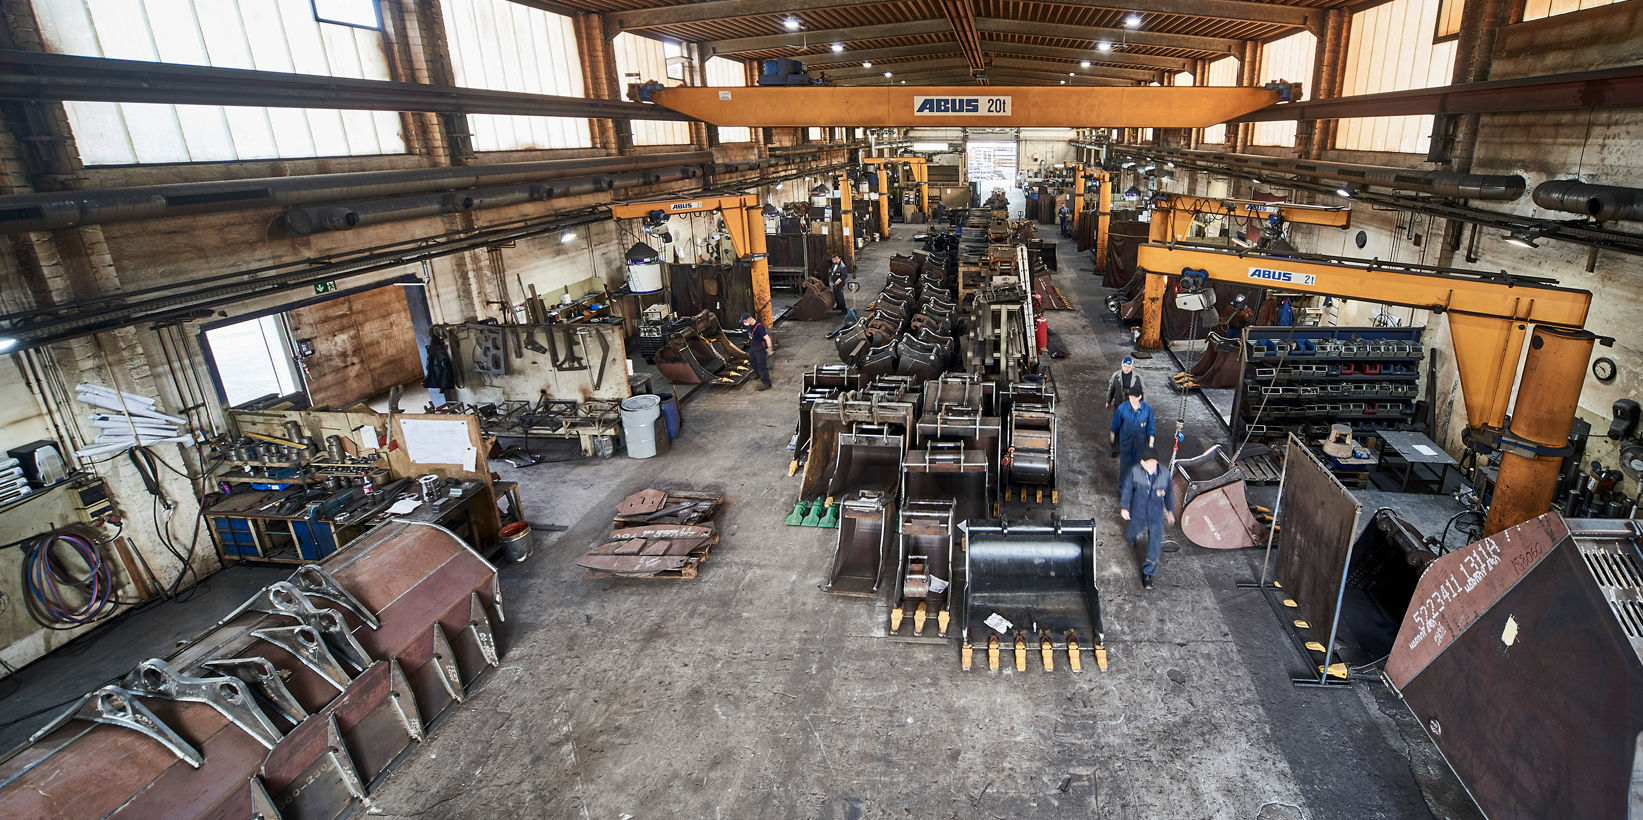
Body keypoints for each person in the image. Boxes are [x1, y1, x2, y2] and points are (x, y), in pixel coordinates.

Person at [1120, 447, 1175, 589]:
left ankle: (1148, 573)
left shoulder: (1164, 474)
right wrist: (1124, 507)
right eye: (1142, 461)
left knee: (1155, 545)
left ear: (1154, 461)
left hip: (1156, 515)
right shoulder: (1135, 471)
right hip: (1138, 511)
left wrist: (1170, 511)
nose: (1142, 463)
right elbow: (1127, 490)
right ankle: (1131, 538)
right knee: (1133, 530)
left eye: (1145, 461)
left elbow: (1169, 494)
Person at [1110, 383, 1155, 484]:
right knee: (1125, 467)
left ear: (1140, 397)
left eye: (1135, 397)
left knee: (1138, 466)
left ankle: (1136, 487)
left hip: (1140, 445)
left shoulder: (1147, 409)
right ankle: (1124, 488)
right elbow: (1116, 424)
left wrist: (1151, 442)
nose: (1132, 399)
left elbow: (1151, 426)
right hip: (1126, 443)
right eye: (1131, 397)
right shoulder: (1122, 408)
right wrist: (1112, 435)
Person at [741, 312, 772, 391]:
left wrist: (769, 348)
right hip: (753, 348)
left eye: (744, 321)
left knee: (761, 366)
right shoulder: (750, 326)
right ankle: (758, 374)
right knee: (752, 361)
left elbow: (767, 338)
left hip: (760, 349)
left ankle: (767, 383)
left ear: (749, 319)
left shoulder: (759, 327)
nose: (744, 323)